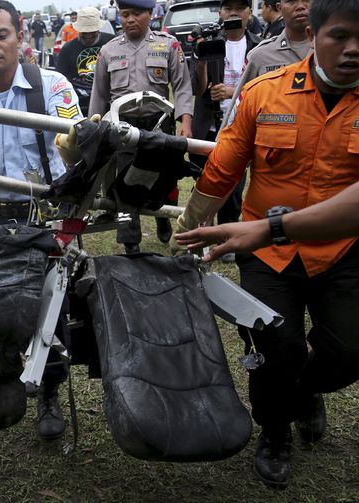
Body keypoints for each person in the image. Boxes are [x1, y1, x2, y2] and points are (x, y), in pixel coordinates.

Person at [171, 0, 359, 489]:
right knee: (276, 348)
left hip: (343, 250)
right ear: (314, 36)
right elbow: (223, 170)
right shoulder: (265, 92)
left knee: (348, 352)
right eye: (340, 36)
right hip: (268, 252)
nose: (353, 49)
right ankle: (275, 432)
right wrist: (188, 230)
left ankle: (303, 392)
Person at [0, 0, 82, 441]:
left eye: (1, 35)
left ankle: (49, 392)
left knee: (53, 307)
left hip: (45, 215)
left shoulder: (55, 88)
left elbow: (75, 158)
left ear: (20, 35)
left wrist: (67, 190)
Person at [89, 0, 194, 254]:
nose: (130, 19)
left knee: (164, 180)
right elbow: (99, 95)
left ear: (149, 14)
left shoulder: (168, 45)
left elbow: (182, 86)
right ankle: (131, 243)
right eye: (125, 14)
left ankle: (163, 217)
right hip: (122, 127)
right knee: (124, 184)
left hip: (158, 125)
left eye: (136, 13)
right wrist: (93, 128)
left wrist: (186, 122)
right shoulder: (108, 51)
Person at [189, 0, 261, 261]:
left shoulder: (259, 45)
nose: (234, 12)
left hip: (241, 125)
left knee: (234, 187)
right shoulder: (209, 41)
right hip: (209, 124)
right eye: (228, 7)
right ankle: (200, 233)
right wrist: (200, 59)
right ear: (219, 13)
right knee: (204, 181)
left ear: (249, 13)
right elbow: (197, 88)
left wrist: (233, 91)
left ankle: (226, 238)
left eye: (240, 8)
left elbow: (266, 84)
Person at [175, 181, 359, 261]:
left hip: (344, 254)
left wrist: (269, 229)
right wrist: (189, 221)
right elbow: (224, 168)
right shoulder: (259, 101)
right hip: (266, 255)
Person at [220, 0, 312, 129]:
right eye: (291, 1)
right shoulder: (260, 56)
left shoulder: (335, 52)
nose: (300, 6)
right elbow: (238, 114)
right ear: (279, 8)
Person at [56, 6, 115, 116]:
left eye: (92, 32)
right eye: (84, 32)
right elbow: (60, 80)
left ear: (98, 29)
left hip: (110, 103)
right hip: (79, 105)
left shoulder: (112, 42)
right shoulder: (68, 49)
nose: (88, 36)